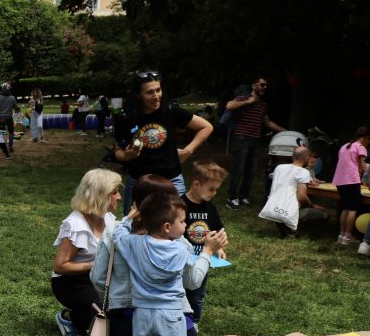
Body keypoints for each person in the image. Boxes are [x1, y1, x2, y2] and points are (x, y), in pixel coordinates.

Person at [92, 174, 225, 336]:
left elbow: (98, 278)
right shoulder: (178, 242)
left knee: (123, 326)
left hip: (125, 325)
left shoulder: (115, 234)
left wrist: (116, 298)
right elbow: (192, 282)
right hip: (174, 322)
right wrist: (207, 251)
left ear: (136, 202)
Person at [114, 194, 190, 336]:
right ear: (167, 226)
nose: (185, 225)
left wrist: (130, 217)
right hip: (171, 313)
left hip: (143, 312)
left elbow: (118, 235)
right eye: (182, 221)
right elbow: (192, 277)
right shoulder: (181, 249)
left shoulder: (136, 243)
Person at [113, 70, 213, 214]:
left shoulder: (170, 110)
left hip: (171, 180)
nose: (156, 96)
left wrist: (188, 150)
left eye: (158, 90)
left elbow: (206, 127)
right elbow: (118, 151)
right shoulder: (126, 117)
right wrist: (128, 155)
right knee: (133, 225)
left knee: (177, 222)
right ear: (138, 95)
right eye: (149, 92)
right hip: (139, 182)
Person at [51, 168, 121, 336]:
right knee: (103, 326)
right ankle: (70, 318)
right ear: (100, 195)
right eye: (114, 192)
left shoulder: (108, 217)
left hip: (98, 277)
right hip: (71, 282)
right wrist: (95, 265)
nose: (119, 197)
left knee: (119, 311)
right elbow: (60, 266)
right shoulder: (76, 225)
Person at [224, 76, 286, 209]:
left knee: (251, 171)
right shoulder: (243, 98)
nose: (265, 87)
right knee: (239, 169)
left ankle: (243, 197)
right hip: (241, 138)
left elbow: (267, 122)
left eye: (266, 85)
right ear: (254, 86)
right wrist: (248, 102)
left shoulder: (263, 105)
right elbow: (229, 105)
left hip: (255, 140)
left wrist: (284, 131)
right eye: (262, 84)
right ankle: (231, 198)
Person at [181, 160, 228, 322]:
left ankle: (193, 323)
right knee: (181, 293)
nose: (214, 193)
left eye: (217, 189)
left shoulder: (210, 207)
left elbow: (216, 229)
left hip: (203, 259)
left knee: (197, 295)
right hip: (183, 260)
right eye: (211, 189)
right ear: (196, 184)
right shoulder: (180, 205)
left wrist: (219, 248)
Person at [260, 146, 328, 238]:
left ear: (293, 156)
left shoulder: (279, 168)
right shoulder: (303, 172)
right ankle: (298, 231)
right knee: (324, 214)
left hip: (271, 208)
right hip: (286, 212)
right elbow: (302, 197)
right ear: (307, 158)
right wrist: (313, 205)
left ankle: (285, 228)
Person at [332, 126, 369, 245]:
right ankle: (348, 237)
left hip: (339, 180)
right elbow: (363, 167)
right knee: (353, 209)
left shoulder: (344, 146)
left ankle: (341, 235)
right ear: (366, 138)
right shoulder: (360, 147)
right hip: (351, 180)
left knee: (346, 208)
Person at [0, 83, 17, 154]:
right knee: (11, 131)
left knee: (1, 131)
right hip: (9, 117)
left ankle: (1, 144)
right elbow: (15, 108)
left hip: (1, 117)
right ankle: (10, 146)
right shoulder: (12, 98)